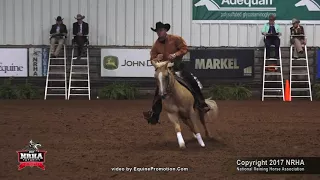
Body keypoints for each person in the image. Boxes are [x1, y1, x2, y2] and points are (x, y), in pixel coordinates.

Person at [142, 22, 210, 125]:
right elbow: (152, 59)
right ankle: (154, 115)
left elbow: (184, 48)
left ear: (165, 31)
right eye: (157, 31)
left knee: (191, 81)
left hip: (177, 67)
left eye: (161, 30)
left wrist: (175, 54)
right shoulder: (156, 45)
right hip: (165, 70)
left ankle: (201, 103)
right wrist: (156, 58)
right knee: (158, 92)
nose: (159, 33)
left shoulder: (175, 39)